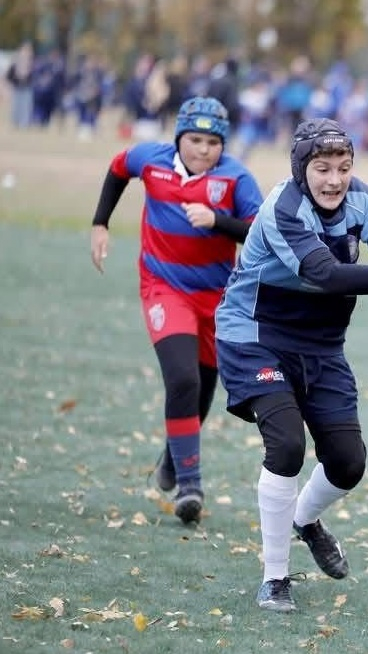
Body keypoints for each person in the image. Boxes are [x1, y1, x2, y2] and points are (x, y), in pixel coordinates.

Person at [214, 118, 368, 613]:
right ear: (301, 169)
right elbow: (326, 275)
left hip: (323, 346)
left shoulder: (362, 198)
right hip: (256, 336)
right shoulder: (283, 208)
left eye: (343, 167)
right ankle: (275, 579)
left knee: (348, 463)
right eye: (322, 168)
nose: (334, 179)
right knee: (287, 444)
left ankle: (304, 520)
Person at [89, 96, 263, 524]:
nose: (203, 150)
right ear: (178, 138)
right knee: (183, 378)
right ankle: (190, 485)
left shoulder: (236, 178)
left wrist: (217, 220)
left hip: (219, 299)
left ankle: (173, 455)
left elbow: (260, 232)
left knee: (202, 389)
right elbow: (118, 169)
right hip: (163, 287)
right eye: (195, 140)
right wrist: (100, 222)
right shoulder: (151, 159)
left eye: (213, 143)